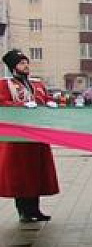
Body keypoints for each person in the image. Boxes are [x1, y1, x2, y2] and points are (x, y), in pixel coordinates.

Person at [0, 50, 59, 222]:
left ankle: (35, 209)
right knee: (21, 174)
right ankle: (24, 211)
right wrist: (22, 105)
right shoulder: (5, 84)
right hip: (17, 138)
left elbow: (44, 98)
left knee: (36, 172)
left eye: (26, 62)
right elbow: (2, 103)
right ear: (13, 67)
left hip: (36, 135)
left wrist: (50, 102)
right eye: (21, 63)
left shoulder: (37, 84)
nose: (25, 66)